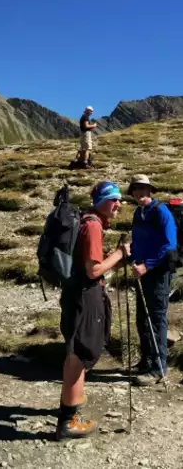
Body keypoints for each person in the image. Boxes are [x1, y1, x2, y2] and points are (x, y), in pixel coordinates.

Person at [56, 181, 129, 441]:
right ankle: (68, 421)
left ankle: (72, 405)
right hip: (86, 296)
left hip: (75, 293)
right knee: (80, 354)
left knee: (76, 352)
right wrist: (119, 255)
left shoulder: (85, 220)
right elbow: (93, 270)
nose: (118, 203)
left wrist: (109, 257)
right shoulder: (93, 225)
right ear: (100, 201)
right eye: (112, 199)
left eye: (119, 199)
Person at [128, 174, 177, 386]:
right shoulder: (139, 213)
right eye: (135, 189)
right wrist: (130, 258)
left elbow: (169, 244)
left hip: (157, 273)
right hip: (142, 270)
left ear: (150, 191)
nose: (139, 192)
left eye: (143, 188)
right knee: (143, 317)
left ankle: (158, 368)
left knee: (156, 318)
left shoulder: (161, 211)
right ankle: (147, 360)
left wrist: (146, 265)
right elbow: (138, 240)